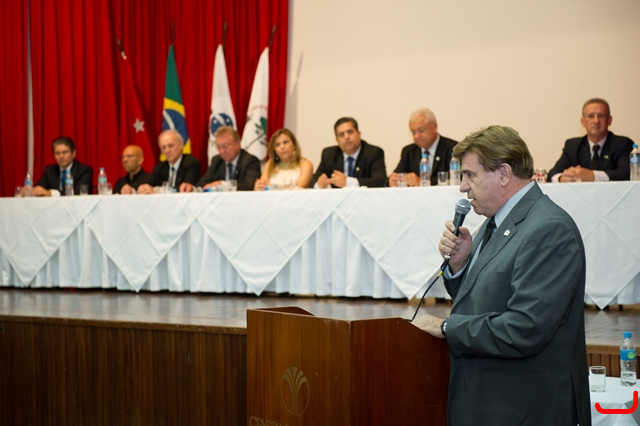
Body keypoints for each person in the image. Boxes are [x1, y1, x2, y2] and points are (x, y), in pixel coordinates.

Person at [413, 125, 591, 426]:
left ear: (504, 174)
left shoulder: (548, 228)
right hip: (489, 401)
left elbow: (525, 329)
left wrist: (447, 327)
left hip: (526, 407)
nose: (462, 187)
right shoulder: (495, 221)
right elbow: (484, 299)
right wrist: (460, 266)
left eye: (470, 175)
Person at [548, 98, 633, 182]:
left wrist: (593, 176)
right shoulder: (572, 146)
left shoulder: (622, 144)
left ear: (609, 120)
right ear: (583, 122)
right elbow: (552, 174)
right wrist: (562, 178)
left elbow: (628, 173)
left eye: (601, 116)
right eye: (591, 116)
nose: (596, 121)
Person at [309, 117, 386, 188]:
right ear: (337, 140)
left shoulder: (373, 153)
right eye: (341, 134)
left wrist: (347, 182)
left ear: (359, 134)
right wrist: (319, 184)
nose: (346, 137)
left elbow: (379, 181)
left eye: (350, 132)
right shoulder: (329, 154)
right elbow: (312, 181)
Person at [388, 108, 457, 187]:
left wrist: (423, 182)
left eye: (421, 130)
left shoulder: (453, 148)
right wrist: (392, 181)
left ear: (434, 127)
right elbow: (397, 174)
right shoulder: (408, 151)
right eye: (413, 132)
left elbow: (457, 178)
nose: (416, 136)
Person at [197, 126, 261, 191]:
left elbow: (251, 186)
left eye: (225, 146)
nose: (221, 151)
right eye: (218, 147)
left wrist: (223, 185)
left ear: (238, 143)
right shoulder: (217, 161)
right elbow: (201, 185)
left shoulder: (250, 161)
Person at [137, 130, 201, 194]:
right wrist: (143, 188)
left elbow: (186, 188)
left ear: (181, 144)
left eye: (171, 146)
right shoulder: (159, 167)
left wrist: (157, 190)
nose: (167, 150)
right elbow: (150, 183)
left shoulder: (191, 163)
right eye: (163, 148)